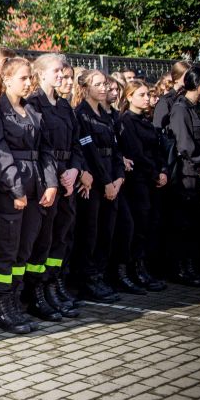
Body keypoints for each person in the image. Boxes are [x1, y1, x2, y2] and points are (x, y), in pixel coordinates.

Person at [0, 57, 58, 334]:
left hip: (36, 186)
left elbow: (45, 149)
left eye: (30, 78)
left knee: (24, 250)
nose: (28, 83)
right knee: (6, 250)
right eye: (23, 78)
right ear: (6, 79)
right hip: (10, 190)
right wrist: (16, 189)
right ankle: (0, 306)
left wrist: (51, 184)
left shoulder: (32, 110)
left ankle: (14, 300)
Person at [25, 54, 87, 320]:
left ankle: (53, 284)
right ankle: (36, 292)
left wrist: (75, 170)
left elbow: (76, 144)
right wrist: (58, 176)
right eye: (57, 72)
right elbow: (40, 147)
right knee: (43, 239)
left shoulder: (64, 106)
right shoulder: (33, 104)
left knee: (61, 237)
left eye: (63, 72)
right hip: (47, 179)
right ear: (41, 74)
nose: (62, 76)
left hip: (67, 179)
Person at [73, 70, 125, 303]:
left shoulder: (106, 115)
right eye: (98, 84)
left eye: (105, 83)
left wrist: (118, 178)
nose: (104, 88)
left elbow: (116, 149)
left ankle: (100, 276)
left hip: (111, 178)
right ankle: (87, 280)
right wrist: (105, 182)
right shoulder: (81, 115)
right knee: (90, 233)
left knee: (107, 231)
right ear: (86, 88)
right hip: (95, 182)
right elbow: (90, 151)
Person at [116, 79, 168, 292]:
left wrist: (163, 171)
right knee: (138, 226)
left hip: (152, 179)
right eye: (142, 95)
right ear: (129, 97)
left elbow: (157, 149)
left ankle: (143, 267)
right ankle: (133, 269)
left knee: (149, 225)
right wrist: (155, 173)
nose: (147, 99)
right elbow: (135, 152)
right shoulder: (126, 120)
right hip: (137, 181)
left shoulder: (146, 120)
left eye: (148, 94)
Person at [166, 67, 200, 286]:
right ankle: (181, 269)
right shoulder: (180, 108)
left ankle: (192, 266)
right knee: (183, 224)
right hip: (187, 174)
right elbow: (185, 144)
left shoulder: (199, 108)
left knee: (195, 224)